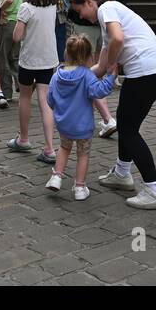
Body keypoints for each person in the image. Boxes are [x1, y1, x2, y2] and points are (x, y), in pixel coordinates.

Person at [69, 0, 156, 209]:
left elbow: (118, 41)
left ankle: (155, 190)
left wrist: (115, 61)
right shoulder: (109, 19)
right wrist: (74, 78)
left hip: (146, 73)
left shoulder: (107, 9)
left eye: (80, 11)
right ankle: (122, 173)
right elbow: (101, 66)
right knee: (126, 122)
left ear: (89, 2)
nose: (81, 17)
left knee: (128, 130)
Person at [67, 0, 121, 138]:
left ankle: (108, 118)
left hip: (84, 26)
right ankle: (92, 114)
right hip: (105, 25)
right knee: (97, 71)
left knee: (85, 73)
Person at [45, 35, 116, 200]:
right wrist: (111, 77)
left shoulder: (57, 75)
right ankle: (79, 187)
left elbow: (50, 99)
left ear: (66, 54)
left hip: (64, 124)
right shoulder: (87, 75)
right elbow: (99, 91)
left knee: (64, 148)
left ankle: (56, 177)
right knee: (83, 154)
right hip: (83, 126)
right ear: (89, 56)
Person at [6, 0, 59, 164]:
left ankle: (24, 138)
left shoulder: (26, 8)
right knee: (45, 100)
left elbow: (17, 37)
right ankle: (50, 148)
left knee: (25, 97)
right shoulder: (52, 5)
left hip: (29, 60)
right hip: (48, 58)